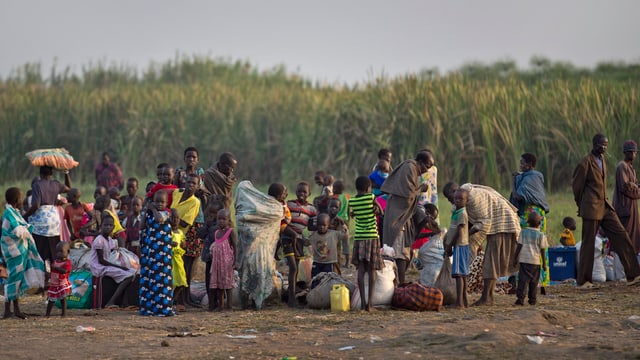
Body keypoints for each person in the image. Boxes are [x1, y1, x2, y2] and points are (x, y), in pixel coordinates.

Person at [572, 134, 640, 288]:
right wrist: (581, 205)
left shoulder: (602, 160)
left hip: (605, 206)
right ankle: (584, 281)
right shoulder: (585, 162)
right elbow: (577, 187)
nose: (603, 148)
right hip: (591, 208)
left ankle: (634, 275)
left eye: (605, 145)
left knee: (621, 235)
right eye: (601, 145)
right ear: (594, 144)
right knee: (588, 244)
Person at [442, 182, 521, 306]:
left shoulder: (473, 199)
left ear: (455, 192)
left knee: (491, 260)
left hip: (502, 221)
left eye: (449, 198)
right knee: (490, 261)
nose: (451, 201)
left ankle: (487, 298)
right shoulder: (463, 200)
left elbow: (483, 223)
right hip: (492, 221)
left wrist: (470, 239)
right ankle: (486, 296)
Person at [380, 150, 435, 285]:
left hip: (403, 215)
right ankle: (400, 282)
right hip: (398, 216)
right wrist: (421, 189)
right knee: (398, 252)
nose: (425, 170)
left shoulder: (413, 170)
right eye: (426, 166)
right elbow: (408, 194)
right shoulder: (410, 167)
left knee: (403, 250)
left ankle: (399, 280)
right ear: (420, 162)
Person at [2, 187, 46, 319]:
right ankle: (7, 311)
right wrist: (29, 228)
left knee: (17, 280)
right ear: (16, 200)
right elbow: (17, 231)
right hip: (14, 252)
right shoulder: (9, 214)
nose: (22, 201)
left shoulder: (13, 212)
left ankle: (15, 309)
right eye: (20, 198)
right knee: (12, 280)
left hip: (19, 251)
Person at [24, 166, 70, 273]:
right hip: (54, 219)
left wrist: (25, 215)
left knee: (41, 250)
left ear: (40, 174)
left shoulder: (37, 185)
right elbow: (68, 188)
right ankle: (54, 274)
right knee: (54, 249)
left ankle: (43, 275)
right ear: (51, 174)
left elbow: (36, 204)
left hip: (41, 220)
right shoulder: (56, 184)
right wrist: (66, 173)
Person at [349, 176, 384, 311]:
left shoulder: (352, 201)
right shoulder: (371, 197)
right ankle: (370, 304)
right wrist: (375, 207)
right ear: (369, 188)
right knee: (372, 270)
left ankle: (363, 303)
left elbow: (352, 214)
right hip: (372, 237)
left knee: (361, 269)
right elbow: (380, 212)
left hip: (359, 238)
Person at [139, 190, 175, 316]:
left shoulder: (167, 213)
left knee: (162, 279)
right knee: (150, 279)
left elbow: (159, 219)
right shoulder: (149, 214)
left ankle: (163, 307)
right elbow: (142, 226)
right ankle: (150, 307)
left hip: (163, 253)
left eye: (162, 202)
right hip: (151, 252)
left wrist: (153, 209)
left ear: (167, 203)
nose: (159, 204)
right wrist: (146, 211)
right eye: (156, 202)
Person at [89, 211, 136, 309]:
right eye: (105, 225)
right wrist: (119, 267)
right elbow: (101, 260)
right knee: (128, 275)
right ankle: (111, 301)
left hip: (106, 265)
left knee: (132, 272)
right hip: (99, 267)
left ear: (114, 227)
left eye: (110, 225)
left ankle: (124, 302)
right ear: (101, 225)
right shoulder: (99, 240)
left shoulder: (110, 240)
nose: (108, 227)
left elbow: (111, 254)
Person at [171, 174, 202, 307]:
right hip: (167, 234)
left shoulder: (195, 202)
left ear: (197, 186)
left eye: (193, 183)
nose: (190, 185)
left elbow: (185, 223)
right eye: (188, 182)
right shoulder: (177, 193)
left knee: (181, 270)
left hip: (179, 237)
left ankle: (177, 299)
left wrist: (170, 218)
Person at [271, 183, 301, 307]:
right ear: (278, 195)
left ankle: (292, 294)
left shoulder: (282, 202)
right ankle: (291, 298)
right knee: (293, 267)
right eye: (284, 193)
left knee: (295, 269)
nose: (286, 195)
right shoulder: (276, 204)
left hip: (284, 227)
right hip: (283, 227)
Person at [512, 211, 548, 306]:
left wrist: (515, 258)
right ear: (539, 223)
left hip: (524, 261)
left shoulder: (523, 232)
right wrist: (544, 264)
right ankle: (532, 300)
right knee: (534, 282)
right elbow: (543, 251)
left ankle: (520, 300)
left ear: (528, 222)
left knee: (522, 281)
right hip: (535, 263)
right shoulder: (541, 235)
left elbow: (519, 246)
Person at [510, 153, 551, 232]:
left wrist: (513, 181)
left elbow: (517, 197)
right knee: (540, 240)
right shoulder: (538, 175)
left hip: (529, 215)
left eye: (522, 163)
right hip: (540, 214)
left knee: (525, 240)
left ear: (529, 164)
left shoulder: (528, 179)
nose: (520, 165)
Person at [286, 181, 318, 284]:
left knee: (296, 264)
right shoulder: (290, 204)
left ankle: (293, 288)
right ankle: (291, 292)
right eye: (299, 191)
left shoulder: (312, 209)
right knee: (293, 266)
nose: (301, 194)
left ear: (309, 194)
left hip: (299, 238)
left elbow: (311, 226)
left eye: (304, 192)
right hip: (288, 236)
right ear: (295, 192)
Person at [612, 140, 640, 254]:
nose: (634, 154)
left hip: (631, 208)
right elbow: (626, 187)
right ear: (627, 153)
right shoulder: (622, 166)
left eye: (635, 152)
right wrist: (636, 189)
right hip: (624, 209)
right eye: (633, 152)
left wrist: (636, 186)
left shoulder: (631, 168)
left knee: (633, 238)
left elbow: (634, 185)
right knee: (624, 237)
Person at [444, 188, 470, 309]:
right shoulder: (457, 212)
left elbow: (459, 232)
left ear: (467, 200)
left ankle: (459, 303)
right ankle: (464, 300)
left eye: (461, 199)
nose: (458, 201)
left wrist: (450, 245)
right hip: (459, 245)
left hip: (459, 245)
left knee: (459, 275)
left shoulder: (462, 214)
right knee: (462, 275)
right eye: (456, 199)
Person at [209, 209, 237, 311]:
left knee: (228, 285)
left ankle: (229, 306)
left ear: (228, 220)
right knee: (219, 285)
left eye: (224, 219)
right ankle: (221, 306)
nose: (221, 221)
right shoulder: (216, 232)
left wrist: (235, 261)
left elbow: (235, 246)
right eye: (219, 219)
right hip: (217, 263)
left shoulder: (230, 232)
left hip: (227, 263)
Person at [198, 199, 223, 310]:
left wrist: (209, 227)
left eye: (214, 213)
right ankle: (211, 303)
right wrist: (206, 226)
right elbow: (200, 235)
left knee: (217, 282)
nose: (211, 216)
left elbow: (215, 237)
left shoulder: (220, 227)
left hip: (217, 259)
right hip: (208, 258)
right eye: (209, 213)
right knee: (208, 280)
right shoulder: (207, 224)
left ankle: (217, 302)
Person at [309, 213, 344, 278]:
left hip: (329, 262)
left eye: (324, 225)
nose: (322, 227)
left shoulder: (333, 234)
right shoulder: (314, 235)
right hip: (317, 262)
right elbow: (306, 242)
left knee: (328, 279)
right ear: (317, 225)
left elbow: (345, 234)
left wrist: (342, 223)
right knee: (315, 279)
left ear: (328, 225)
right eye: (319, 225)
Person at [46, 241, 72, 317]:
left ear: (68, 252)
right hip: (54, 284)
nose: (59, 254)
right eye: (57, 252)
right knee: (51, 300)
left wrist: (55, 268)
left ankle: (64, 313)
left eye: (61, 252)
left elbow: (65, 271)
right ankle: (47, 314)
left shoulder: (67, 263)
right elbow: (51, 271)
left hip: (62, 284)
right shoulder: (55, 261)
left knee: (63, 299)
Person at [170, 209, 187, 312]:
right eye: (173, 217)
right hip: (170, 258)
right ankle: (169, 301)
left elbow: (183, 243)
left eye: (177, 218)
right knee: (171, 281)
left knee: (181, 281)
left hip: (178, 259)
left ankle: (173, 299)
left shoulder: (180, 232)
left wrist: (183, 244)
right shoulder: (167, 231)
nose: (175, 220)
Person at [332, 181, 351, 267]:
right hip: (346, 220)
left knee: (337, 243)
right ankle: (347, 262)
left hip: (337, 221)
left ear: (335, 189)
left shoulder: (334, 198)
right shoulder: (347, 197)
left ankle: (338, 261)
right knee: (346, 242)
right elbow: (348, 210)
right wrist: (348, 222)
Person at [327, 197, 348, 272]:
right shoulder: (325, 219)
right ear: (327, 207)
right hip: (325, 245)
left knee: (336, 262)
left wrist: (342, 223)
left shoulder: (340, 221)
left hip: (336, 247)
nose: (333, 209)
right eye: (331, 206)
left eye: (336, 207)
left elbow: (344, 233)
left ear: (339, 209)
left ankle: (336, 277)